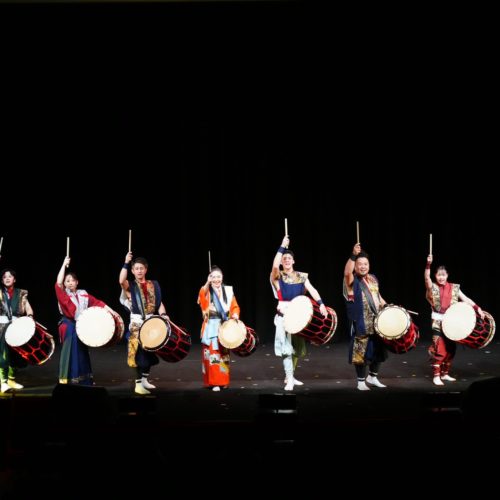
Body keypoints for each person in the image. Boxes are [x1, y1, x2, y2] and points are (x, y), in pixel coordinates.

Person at [271, 235, 327, 391]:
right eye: (284, 259)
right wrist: (282, 246)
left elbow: (312, 290)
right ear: (282, 262)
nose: (287, 260)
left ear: (293, 261)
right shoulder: (277, 276)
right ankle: (289, 378)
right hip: (284, 317)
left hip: (298, 318)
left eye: (289, 258)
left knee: (298, 349)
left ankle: (291, 375)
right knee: (286, 349)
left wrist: (321, 304)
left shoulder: (302, 277)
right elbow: (274, 265)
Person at [56, 256, 118, 385]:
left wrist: (112, 311)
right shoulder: (63, 294)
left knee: (82, 352)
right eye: (67, 281)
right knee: (72, 352)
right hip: (69, 327)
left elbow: (97, 303)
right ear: (65, 284)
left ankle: (84, 379)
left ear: (77, 282)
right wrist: (63, 264)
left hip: (81, 327)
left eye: (73, 280)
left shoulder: (83, 294)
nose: (70, 283)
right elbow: (58, 282)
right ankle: (70, 380)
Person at [425, 254, 485, 386]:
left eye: (443, 275)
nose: (441, 277)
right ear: (435, 276)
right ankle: (436, 376)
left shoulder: (454, 288)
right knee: (440, 349)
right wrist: (428, 264)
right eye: (438, 275)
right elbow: (426, 278)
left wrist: (477, 308)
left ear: (447, 275)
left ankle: (445, 373)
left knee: (451, 350)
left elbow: (465, 299)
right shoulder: (433, 287)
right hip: (437, 323)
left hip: (451, 323)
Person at [119, 252, 167, 395]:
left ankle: (145, 379)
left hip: (151, 323)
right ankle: (138, 384)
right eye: (136, 268)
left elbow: (159, 303)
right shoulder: (130, 286)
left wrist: (164, 315)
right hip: (137, 324)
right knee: (138, 354)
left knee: (149, 353)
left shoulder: (153, 285)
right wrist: (126, 262)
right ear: (132, 271)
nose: (139, 271)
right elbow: (121, 280)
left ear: (146, 269)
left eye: (141, 268)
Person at [343, 243, 388, 391]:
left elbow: (378, 296)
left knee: (379, 350)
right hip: (360, 321)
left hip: (377, 321)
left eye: (365, 264)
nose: (363, 266)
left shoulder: (373, 278)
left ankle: (373, 377)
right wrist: (353, 255)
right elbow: (347, 272)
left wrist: (388, 307)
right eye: (360, 264)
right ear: (355, 266)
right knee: (360, 350)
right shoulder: (352, 281)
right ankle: (361, 381)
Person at [198, 265, 240, 391]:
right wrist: (207, 282)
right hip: (211, 326)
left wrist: (235, 314)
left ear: (222, 277)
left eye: (218, 277)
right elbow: (202, 296)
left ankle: (224, 381)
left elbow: (234, 306)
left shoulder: (228, 290)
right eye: (213, 277)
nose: (216, 279)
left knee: (224, 354)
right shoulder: (207, 290)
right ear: (210, 278)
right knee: (213, 354)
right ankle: (214, 382)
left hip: (224, 325)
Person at [0, 267, 33, 393]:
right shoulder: (0, 293)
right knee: (3, 355)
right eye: (4, 277)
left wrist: (29, 317)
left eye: (10, 276)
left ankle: (11, 380)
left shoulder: (20, 293)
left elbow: (28, 309)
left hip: (16, 327)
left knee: (15, 354)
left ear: (14, 279)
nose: (7, 278)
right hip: (1, 327)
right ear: (2, 280)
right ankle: (3, 382)